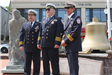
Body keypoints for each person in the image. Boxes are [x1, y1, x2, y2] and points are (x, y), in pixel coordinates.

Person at [37, 3, 64, 75]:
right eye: (46, 9)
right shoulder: (43, 20)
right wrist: (39, 42)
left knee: (54, 63)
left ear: (53, 10)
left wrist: (57, 43)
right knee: (45, 63)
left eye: (48, 9)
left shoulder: (58, 19)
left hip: (53, 45)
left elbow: (59, 32)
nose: (47, 11)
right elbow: (40, 32)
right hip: (44, 45)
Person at [61, 1, 82, 75]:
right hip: (68, 46)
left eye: (68, 8)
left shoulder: (76, 18)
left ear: (73, 9)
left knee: (73, 66)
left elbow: (75, 32)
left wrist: (66, 41)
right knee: (71, 66)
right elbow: (65, 32)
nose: (66, 9)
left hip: (73, 46)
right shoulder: (68, 19)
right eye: (66, 8)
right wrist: (63, 39)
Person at [19, 9, 41, 75]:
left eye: (31, 16)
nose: (30, 17)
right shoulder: (24, 24)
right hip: (27, 47)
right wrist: (21, 45)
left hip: (36, 47)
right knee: (27, 63)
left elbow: (40, 35)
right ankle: (26, 74)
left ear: (35, 16)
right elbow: (21, 35)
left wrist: (39, 43)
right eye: (29, 15)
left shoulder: (39, 25)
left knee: (36, 63)